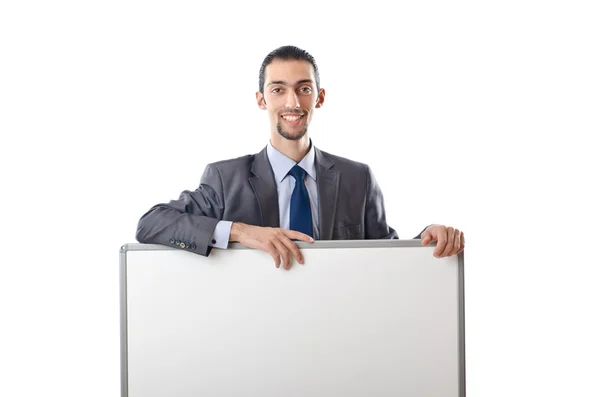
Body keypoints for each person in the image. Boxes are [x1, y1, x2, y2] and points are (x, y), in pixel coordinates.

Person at [136, 45, 465, 270]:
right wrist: (242, 231)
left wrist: (427, 238)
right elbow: (151, 223)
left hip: (338, 338)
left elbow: (386, 257)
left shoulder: (357, 179)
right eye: (278, 89)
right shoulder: (226, 179)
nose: (292, 102)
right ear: (261, 99)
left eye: (303, 88)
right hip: (250, 337)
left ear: (319, 97)